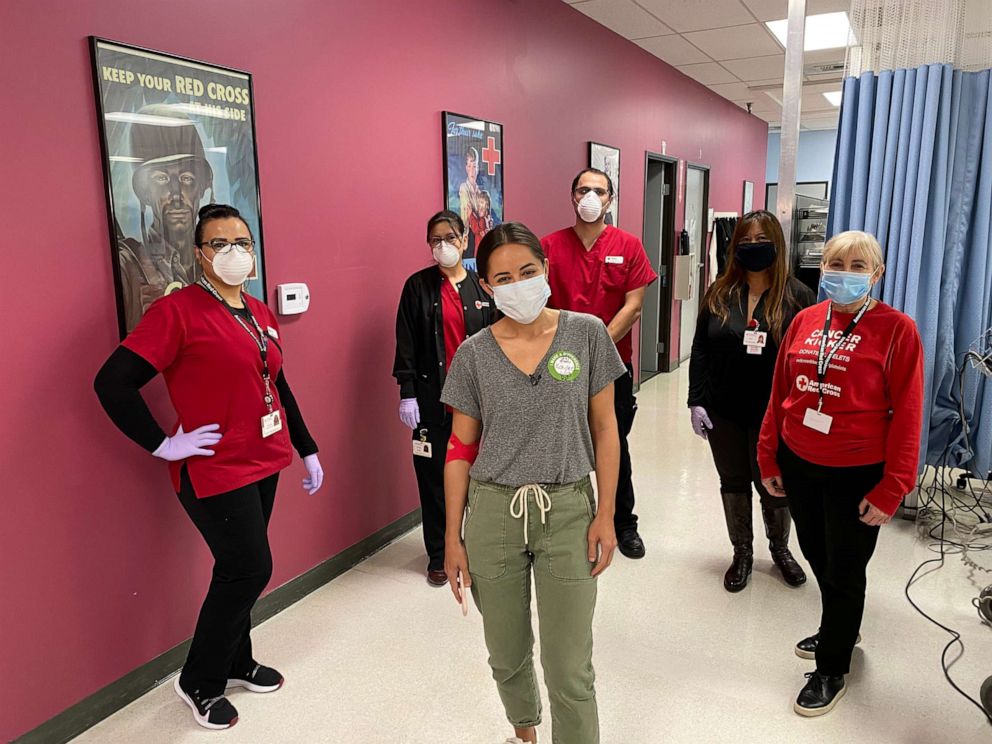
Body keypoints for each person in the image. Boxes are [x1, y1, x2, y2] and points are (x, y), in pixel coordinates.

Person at [94, 203, 324, 730]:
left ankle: (237, 660)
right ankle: (198, 679)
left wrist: (306, 447)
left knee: (239, 570)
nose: (234, 253)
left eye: (242, 242)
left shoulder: (260, 312)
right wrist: (162, 444)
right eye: (220, 244)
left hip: (264, 458)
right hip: (213, 468)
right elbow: (112, 382)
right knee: (248, 568)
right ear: (200, 254)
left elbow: (277, 383)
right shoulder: (177, 312)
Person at [443, 222, 624, 744]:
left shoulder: (585, 334)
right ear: (487, 286)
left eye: (527, 271)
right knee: (505, 650)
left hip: (568, 510)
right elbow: (459, 450)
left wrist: (605, 513)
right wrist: (453, 538)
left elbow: (606, 429)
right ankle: (524, 734)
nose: (518, 283)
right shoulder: (474, 355)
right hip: (494, 513)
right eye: (503, 276)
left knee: (569, 665)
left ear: (545, 269)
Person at [757, 230, 924, 717]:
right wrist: (769, 456)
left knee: (846, 568)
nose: (844, 273)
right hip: (799, 461)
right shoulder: (806, 320)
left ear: (877, 274)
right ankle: (842, 627)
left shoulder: (898, 330)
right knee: (818, 555)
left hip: (859, 471)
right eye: (835, 263)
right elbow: (780, 392)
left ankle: (833, 665)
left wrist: (894, 487)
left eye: (856, 265)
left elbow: (909, 413)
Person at [687, 210, 815, 592]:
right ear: (734, 246)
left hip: (774, 416)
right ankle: (742, 551)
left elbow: (806, 357)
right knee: (733, 481)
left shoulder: (798, 296)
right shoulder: (719, 293)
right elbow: (701, 349)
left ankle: (780, 549)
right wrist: (696, 400)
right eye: (746, 240)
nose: (754, 247)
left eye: (762, 240)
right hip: (724, 410)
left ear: (776, 244)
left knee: (774, 484)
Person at [541, 168, 658, 559]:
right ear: (571, 196)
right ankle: (560, 521)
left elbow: (634, 306)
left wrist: (595, 349)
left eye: (598, 191)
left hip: (612, 367)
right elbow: (539, 304)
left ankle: (622, 523)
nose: (589, 197)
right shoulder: (549, 247)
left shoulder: (629, 245)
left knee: (613, 445)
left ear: (610, 199)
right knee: (560, 446)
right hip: (558, 367)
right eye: (582, 190)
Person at [393, 210, 496, 586]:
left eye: (450, 238)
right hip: (431, 402)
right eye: (435, 240)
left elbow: (499, 342)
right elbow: (405, 342)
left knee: (478, 476)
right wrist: (407, 393)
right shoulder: (417, 287)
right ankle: (439, 553)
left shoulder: (482, 289)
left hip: (477, 403)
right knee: (434, 478)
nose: (443, 246)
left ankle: (478, 545)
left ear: (465, 240)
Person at [119, 105, 215, 331]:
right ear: (145, 192)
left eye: (187, 178)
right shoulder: (128, 264)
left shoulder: (216, 259)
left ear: (201, 188)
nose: (176, 195)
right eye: (161, 179)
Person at [458, 147, 483, 256]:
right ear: (466, 168)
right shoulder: (463, 188)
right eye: (469, 166)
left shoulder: (480, 191)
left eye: (475, 166)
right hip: (469, 237)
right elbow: (467, 216)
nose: (472, 170)